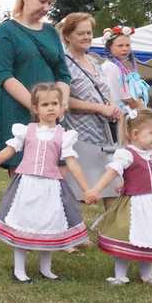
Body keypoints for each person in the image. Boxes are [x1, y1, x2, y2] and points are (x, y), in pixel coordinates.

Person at [0, 83, 89, 283]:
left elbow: (72, 163)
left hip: (51, 187)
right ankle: (19, 269)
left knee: (49, 223)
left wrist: (87, 189)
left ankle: (46, 268)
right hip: (27, 186)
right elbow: (7, 151)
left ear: (62, 107)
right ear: (35, 108)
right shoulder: (26, 131)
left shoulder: (64, 135)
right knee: (24, 222)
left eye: (55, 103)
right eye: (45, 104)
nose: (51, 108)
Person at [84, 108, 152, 287]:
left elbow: (140, 175)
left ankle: (147, 275)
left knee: (150, 236)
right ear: (135, 134)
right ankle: (120, 275)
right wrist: (96, 189)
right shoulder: (127, 153)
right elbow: (114, 170)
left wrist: (125, 183)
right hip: (134, 205)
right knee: (126, 236)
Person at [0, 0, 71, 170]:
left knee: (53, 171)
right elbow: (4, 75)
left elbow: (63, 74)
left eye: (50, 3)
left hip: (51, 111)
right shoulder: (6, 31)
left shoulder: (51, 32)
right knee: (22, 171)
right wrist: (37, 107)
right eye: (42, 1)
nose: (46, 8)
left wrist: (61, 104)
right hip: (19, 109)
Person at [59, 12, 121, 206]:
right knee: (77, 191)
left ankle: (110, 234)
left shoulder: (94, 60)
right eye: (81, 33)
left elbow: (104, 91)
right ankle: (76, 235)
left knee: (111, 186)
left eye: (89, 32)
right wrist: (99, 108)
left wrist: (111, 106)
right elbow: (63, 100)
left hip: (104, 136)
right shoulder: (63, 63)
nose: (87, 37)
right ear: (68, 36)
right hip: (79, 136)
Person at [100, 25, 149, 113]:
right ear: (109, 48)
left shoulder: (120, 67)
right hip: (118, 115)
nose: (125, 49)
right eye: (120, 46)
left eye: (127, 45)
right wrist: (144, 111)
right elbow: (126, 98)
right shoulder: (110, 67)